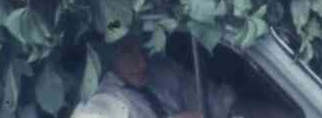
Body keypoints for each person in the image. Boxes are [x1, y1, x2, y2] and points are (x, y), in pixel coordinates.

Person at [72, 34, 236, 118]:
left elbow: (217, 101)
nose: (143, 63)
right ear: (108, 55)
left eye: (143, 50)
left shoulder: (163, 70)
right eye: (128, 52)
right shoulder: (95, 105)